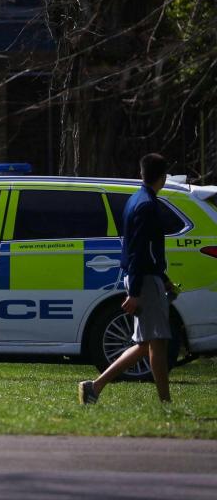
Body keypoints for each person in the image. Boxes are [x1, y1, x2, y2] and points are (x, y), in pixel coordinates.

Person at [79, 153, 175, 404]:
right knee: (158, 343)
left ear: (141, 173)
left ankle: (94, 387)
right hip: (143, 280)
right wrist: (136, 291)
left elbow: (139, 248)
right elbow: (140, 250)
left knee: (146, 343)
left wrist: (161, 277)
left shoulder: (135, 200)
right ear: (163, 177)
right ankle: (165, 402)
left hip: (144, 277)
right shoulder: (148, 205)